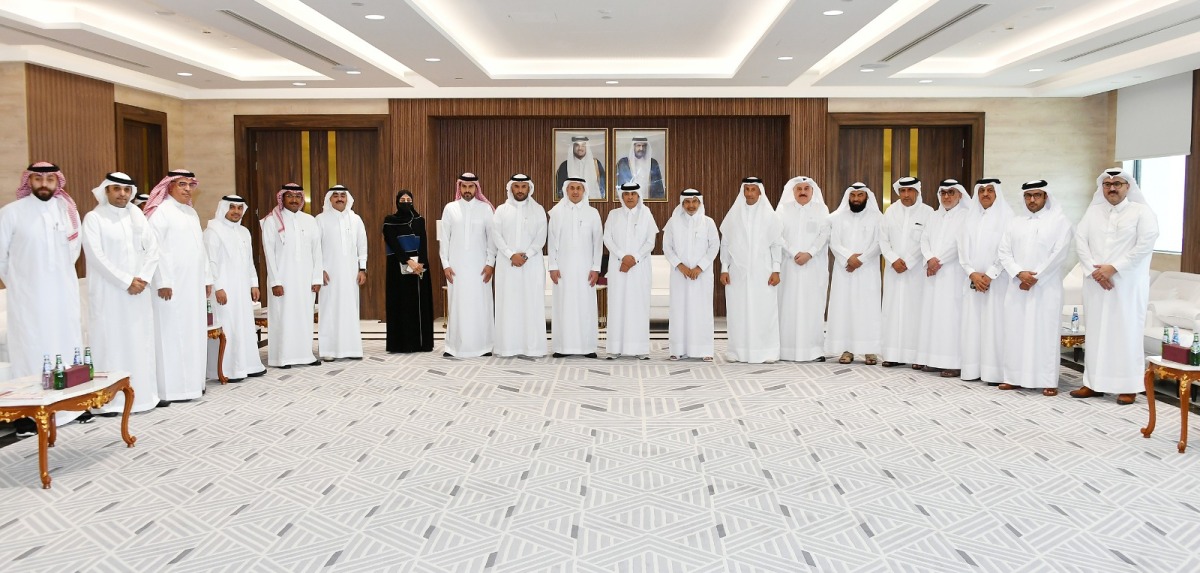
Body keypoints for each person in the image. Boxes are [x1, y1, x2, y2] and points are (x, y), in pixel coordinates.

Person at [0, 162, 85, 435]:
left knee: (66, 342)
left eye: (50, 179)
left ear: (57, 182)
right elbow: (1, 257)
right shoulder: (11, 213)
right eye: (38, 178)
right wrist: (20, 284)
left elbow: (73, 252)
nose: (44, 184)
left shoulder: (67, 211)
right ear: (29, 181)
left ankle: (71, 406)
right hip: (28, 298)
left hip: (62, 294)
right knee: (30, 349)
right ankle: (27, 414)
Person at [1072, 168, 1159, 405]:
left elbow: (1145, 244)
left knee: (1125, 333)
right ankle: (1093, 383)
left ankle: (1128, 386)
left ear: (1127, 186)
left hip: (1126, 285)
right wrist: (1094, 271)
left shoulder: (1141, 212)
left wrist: (1113, 268)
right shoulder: (1093, 212)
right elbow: (1080, 241)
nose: (1112, 188)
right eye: (1107, 184)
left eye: (1117, 184)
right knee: (1096, 332)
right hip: (1096, 284)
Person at [82, 172, 160, 414]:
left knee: (140, 343)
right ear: (106, 190)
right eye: (116, 189)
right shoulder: (94, 218)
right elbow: (96, 256)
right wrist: (126, 281)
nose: (122, 194)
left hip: (138, 294)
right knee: (111, 344)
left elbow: (153, 249)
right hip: (109, 295)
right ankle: (110, 402)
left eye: (126, 190)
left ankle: (144, 397)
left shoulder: (137, 217)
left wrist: (143, 278)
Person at [997, 180, 1072, 395]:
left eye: (1037, 195)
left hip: (1046, 288)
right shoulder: (1014, 222)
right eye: (1028, 196)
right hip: (1017, 285)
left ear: (1045, 196)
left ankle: (1047, 380)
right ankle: (1013, 378)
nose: (1032, 200)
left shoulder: (1060, 221)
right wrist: (1019, 273)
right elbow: (1004, 251)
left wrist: (1035, 277)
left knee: (1045, 333)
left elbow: (1059, 253)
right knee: (1015, 331)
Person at [144, 169, 212, 403]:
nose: (187, 189)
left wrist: (206, 278)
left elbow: (200, 249)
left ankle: (193, 384)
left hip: (192, 286)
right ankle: (171, 388)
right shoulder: (160, 212)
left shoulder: (191, 213)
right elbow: (154, 250)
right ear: (169, 186)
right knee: (171, 333)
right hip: (170, 287)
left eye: (190, 185)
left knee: (193, 332)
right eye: (181, 184)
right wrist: (162, 280)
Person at [720, 176, 784, 364]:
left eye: (753, 189)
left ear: (760, 192)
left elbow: (776, 244)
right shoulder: (733, 215)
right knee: (738, 311)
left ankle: (767, 351)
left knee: (764, 311)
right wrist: (724, 268)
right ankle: (737, 351)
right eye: (746, 189)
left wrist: (776, 269)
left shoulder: (771, 216)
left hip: (763, 272)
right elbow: (726, 243)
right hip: (738, 273)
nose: (749, 193)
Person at [915, 179, 975, 377]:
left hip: (953, 273)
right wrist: (929, 258)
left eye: (951, 193)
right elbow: (924, 239)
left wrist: (937, 261)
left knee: (951, 317)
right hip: (933, 274)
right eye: (943, 193)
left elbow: (959, 245)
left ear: (959, 195)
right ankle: (934, 360)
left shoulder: (967, 216)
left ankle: (953, 363)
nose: (947, 197)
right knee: (932, 315)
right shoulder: (934, 215)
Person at [203, 194, 266, 381]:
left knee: (244, 325)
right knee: (228, 326)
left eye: (239, 208)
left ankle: (248, 365)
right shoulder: (212, 231)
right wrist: (218, 288)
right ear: (224, 208)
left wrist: (254, 284)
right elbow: (210, 263)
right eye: (232, 207)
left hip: (242, 288)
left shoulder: (244, 232)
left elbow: (249, 261)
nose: (236, 212)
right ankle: (227, 370)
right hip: (224, 290)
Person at [261, 183, 322, 368]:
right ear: (282, 198)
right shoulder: (272, 221)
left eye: (297, 196)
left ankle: (305, 355)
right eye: (289, 196)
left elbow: (317, 251)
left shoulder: (310, 220)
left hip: (305, 279)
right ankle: (282, 357)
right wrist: (275, 281)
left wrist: (317, 278)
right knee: (283, 317)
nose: (294, 200)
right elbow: (269, 253)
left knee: (304, 316)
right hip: (283, 279)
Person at [959, 179, 1014, 384]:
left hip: (998, 281)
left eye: (990, 190)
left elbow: (1007, 249)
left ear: (997, 193)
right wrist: (971, 273)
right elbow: (962, 249)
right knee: (972, 325)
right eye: (981, 190)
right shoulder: (969, 218)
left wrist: (990, 274)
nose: (985, 194)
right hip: (973, 280)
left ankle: (994, 373)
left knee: (995, 325)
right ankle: (973, 369)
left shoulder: (1008, 217)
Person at [825, 182, 883, 365]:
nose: (856, 199)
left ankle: (869, 350)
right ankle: (846, 349)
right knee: (844, 308)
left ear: (866, 197)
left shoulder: (878, 218)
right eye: (853, 195)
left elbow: (879, 243)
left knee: (868, 308)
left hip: (867, 270)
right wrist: (849, 258)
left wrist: (861, 259)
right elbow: (833, 242)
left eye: (860, 195)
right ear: (848, 197)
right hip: (844, 270)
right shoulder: (837, 218)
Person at [440, 172, 496, 358]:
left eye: (471, 186)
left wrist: (490, 264)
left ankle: (484, 346)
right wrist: (445, 264)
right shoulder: (450, 208)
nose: (467, 190)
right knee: (457, 305)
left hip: (480, 268)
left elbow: (492, 239)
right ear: (459, 187)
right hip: (456, 268)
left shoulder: (485, 209)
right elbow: (444, 240)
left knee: (480, 305)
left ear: (476, 188)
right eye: (464, 186)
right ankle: (453, 347)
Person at [491, 174, 548, 358]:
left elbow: (541, 237)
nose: (520, 190)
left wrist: (526, 255)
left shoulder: (538, 210)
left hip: (531, 265)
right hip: (507, 264)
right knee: (508, 305)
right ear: (510, 188)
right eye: (517, 186)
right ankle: (507, 347)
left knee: (531, 304)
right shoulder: (501, 210)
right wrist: (511, 254)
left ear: (529, 188)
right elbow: (496, 236)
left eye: (524, 186)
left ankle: (533, 348)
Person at [879, 177, 933, 368]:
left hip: (916, 271)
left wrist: (908, 261)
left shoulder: (928, 213)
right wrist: (893, 259)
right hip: (893, 270)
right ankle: (892, 354)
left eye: (910, 191)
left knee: (915, 311)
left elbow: (926, 241)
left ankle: (916, 356)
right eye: (902, 191)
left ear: (917, 192)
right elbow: (883, 240)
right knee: (892, 311)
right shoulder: (890, 212)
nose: (906, 195)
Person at [775, 176, 830, 362]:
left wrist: (810, 253)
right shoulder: (783, 210)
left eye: (807, 188)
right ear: (793, 191)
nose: (803, 192)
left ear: (813, 191)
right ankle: (786, 350)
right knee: (787, 306)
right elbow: (776, 235)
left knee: (812, 306)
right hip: (788, 266)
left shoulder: (821, 210)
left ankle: (813, 350)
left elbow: (825, 235)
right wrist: (793, 252)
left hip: (813, 266)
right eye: (799, 188)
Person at [548, 177, 603, 358]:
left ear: (584, 190)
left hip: (586, 269)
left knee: (585, 307)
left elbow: (597, 243)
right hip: (563, 269)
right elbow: (552, 241)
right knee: (563, 306)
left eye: (578, 188)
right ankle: (562, 347)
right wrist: (553, 266)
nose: (575, 191)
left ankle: (587, 347)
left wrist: (596, 268)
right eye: (571, 188)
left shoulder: (592, 213)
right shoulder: (557, 212)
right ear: (566, 190)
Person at [662, 188, 719, 362]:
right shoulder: (673, 223)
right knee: (679, 311)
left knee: (702, 311)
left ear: (700, 203)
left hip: (702, 275)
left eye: (694, 201)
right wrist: (681, 267)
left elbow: (714, 247)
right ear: (682, 204)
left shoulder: (708, 222)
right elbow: (667, 247)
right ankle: (677, 349)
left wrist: (699, 268)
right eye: (687, 202)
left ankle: (704, 350)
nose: (691, 205)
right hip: (680, 275)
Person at [603, 182, 658, 359]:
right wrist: (622, 256)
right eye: (626, 194)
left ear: (638, 196)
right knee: (617, 305)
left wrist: (634, 258)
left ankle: (639, 349)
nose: (630, 197)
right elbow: (607, 238)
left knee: (638, 307)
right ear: (622, 197)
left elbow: (650, 242)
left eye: (633, 194)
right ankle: (615, 349)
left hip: (639, 268)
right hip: (618, 267)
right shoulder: (613, 215)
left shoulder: (646, 214)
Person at [316, 184, 367, 361]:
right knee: (329, 310)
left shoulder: (356, 219)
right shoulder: (320, 219)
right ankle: (328, 350)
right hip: (328, 275)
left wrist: (362, 268)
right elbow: (315, 248)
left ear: (347, 198)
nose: (339, 198)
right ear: (329, 199)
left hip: (351, 274)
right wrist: (319, 269)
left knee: (350, 309)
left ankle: (351, 349)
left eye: (342, 195)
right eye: (335, 195)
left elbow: (362, 245)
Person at [382, 190, 434, 353]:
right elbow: (393, 243)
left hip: (419, 268)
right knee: (401, 303)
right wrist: (408, 261)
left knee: (420, 304)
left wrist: (421, 264)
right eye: (402, 200)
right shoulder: (389, 221)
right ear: (397, 202)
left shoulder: (419, 220)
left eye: (408, 199)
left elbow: (423, 242)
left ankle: (422, 343)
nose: (405, 202)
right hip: (398, 266)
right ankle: (402, 344)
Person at [555, 136, 606, 201]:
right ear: (573, 147)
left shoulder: (596, 164)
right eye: (577, 145)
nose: (580, 148)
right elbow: (560, 191)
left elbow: (603, 188)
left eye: (583, 145)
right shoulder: (564, 166)